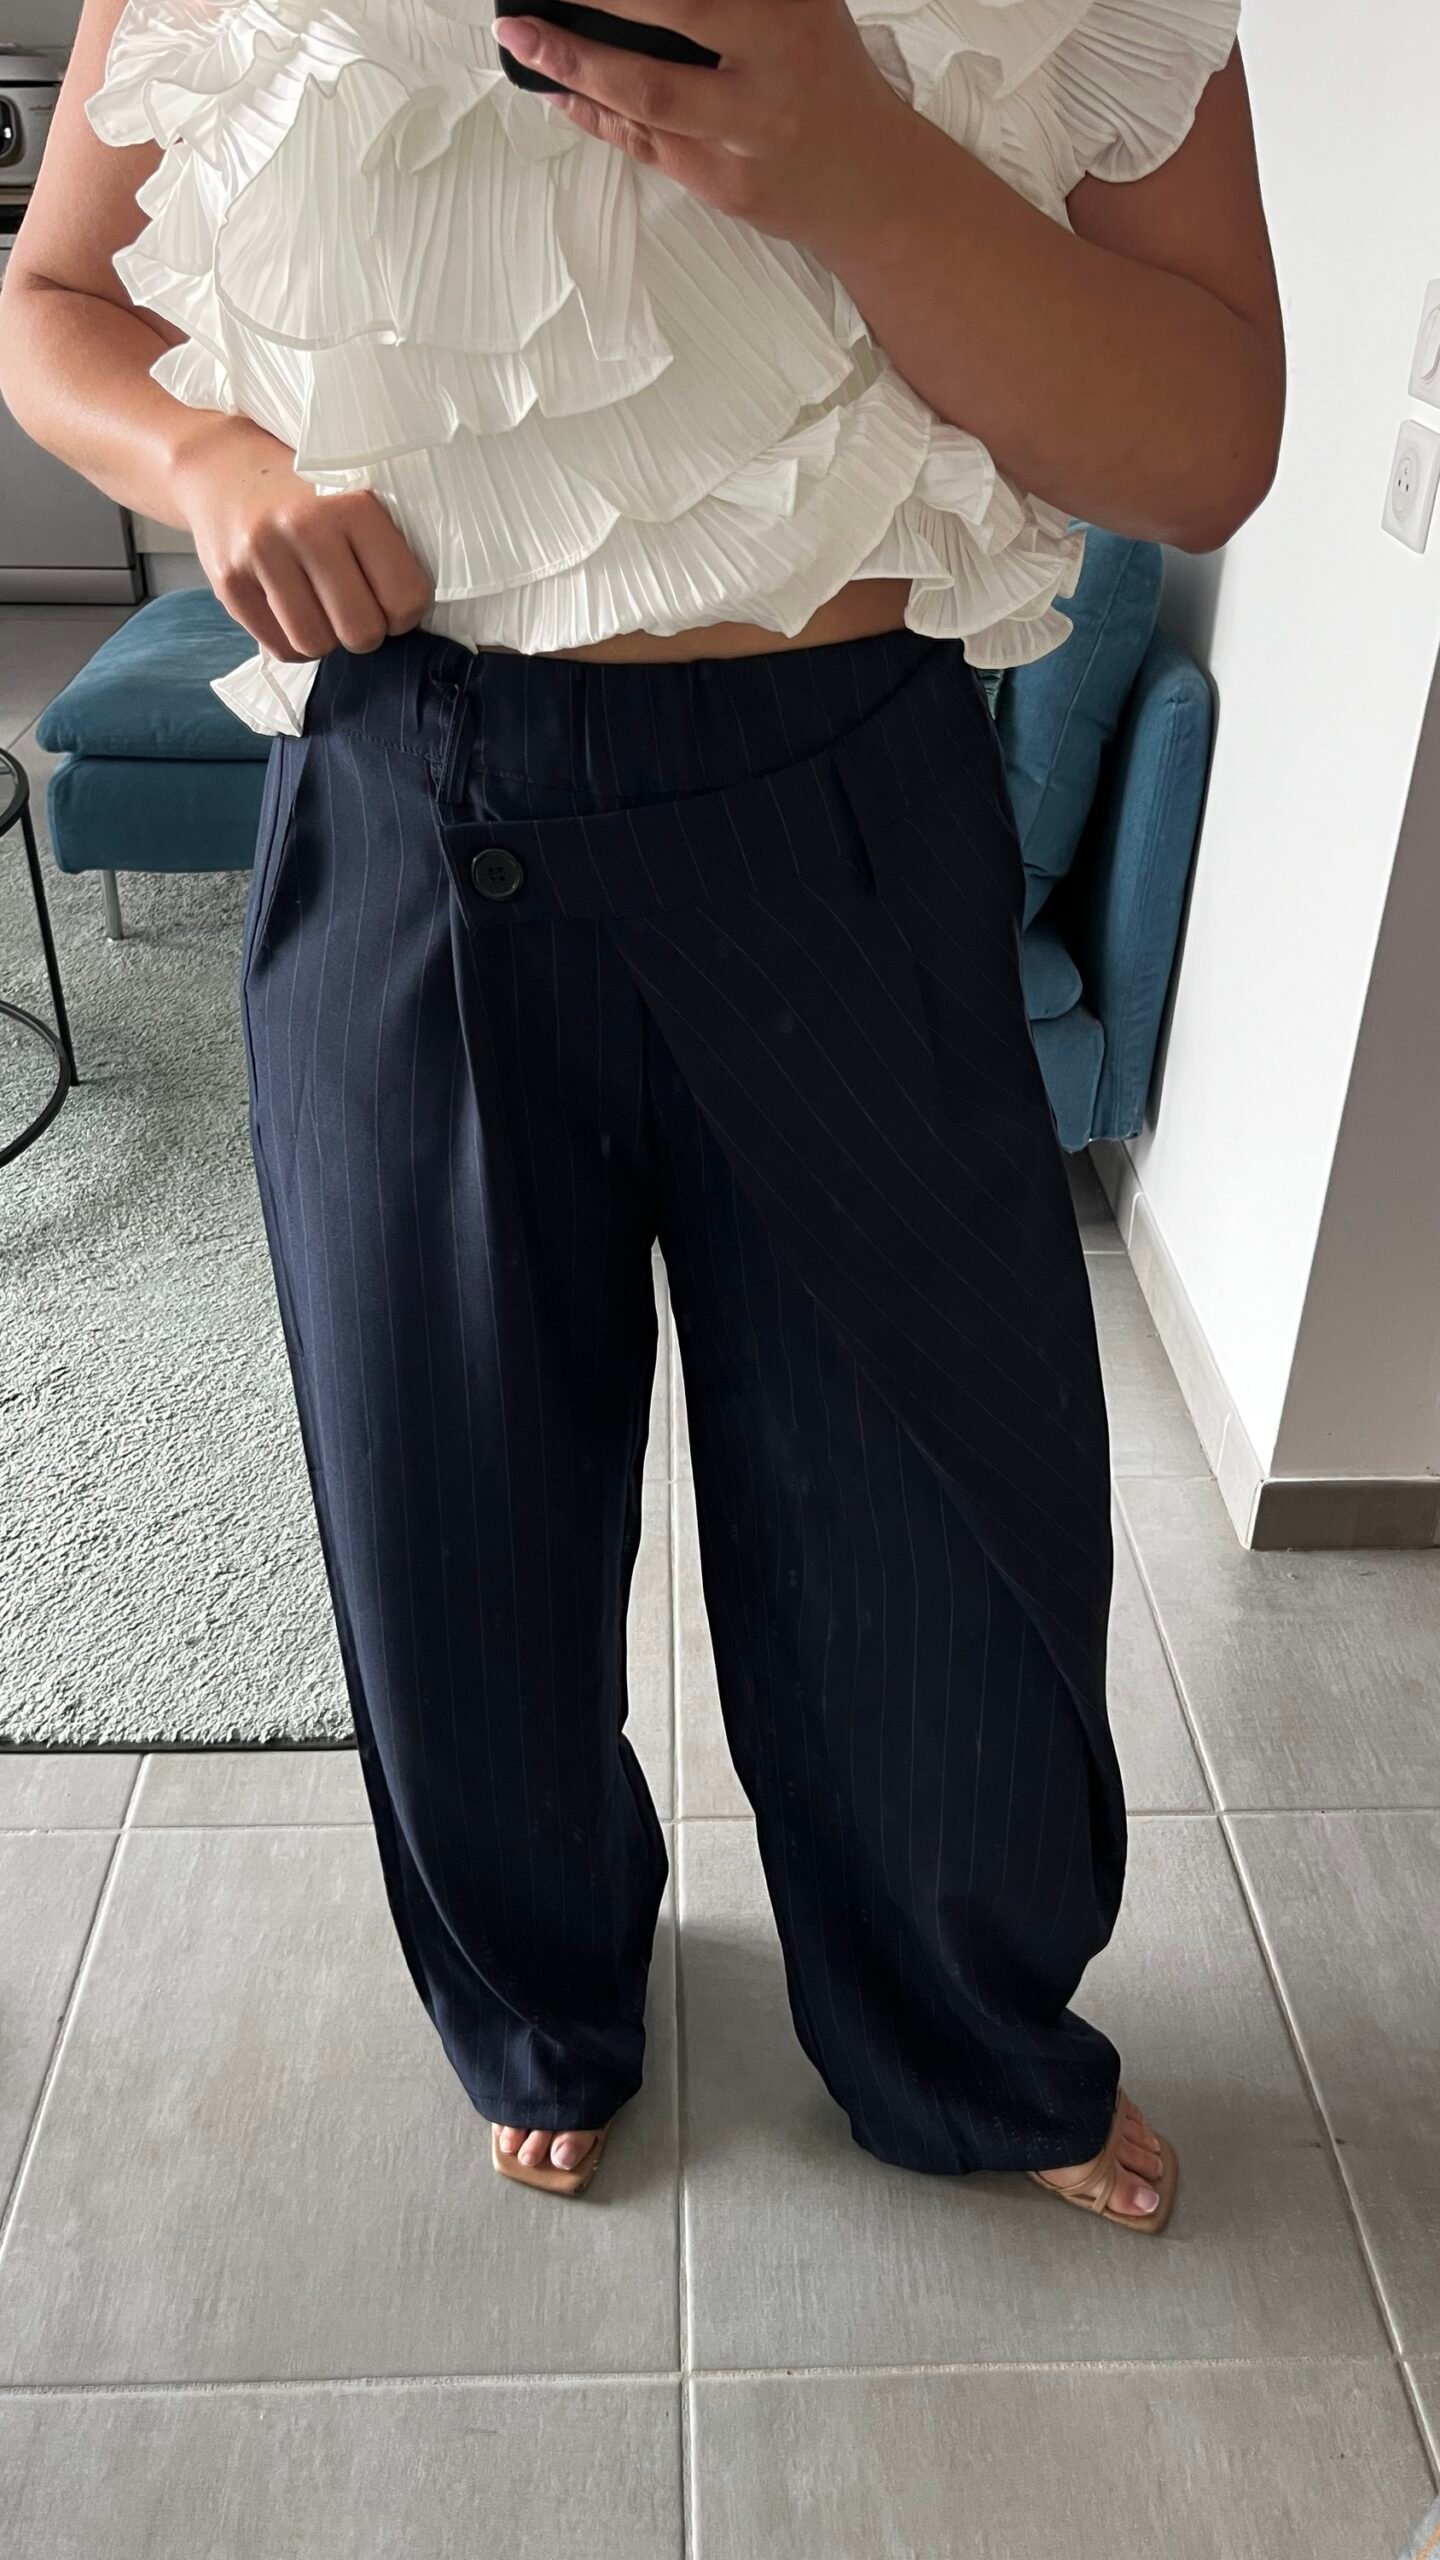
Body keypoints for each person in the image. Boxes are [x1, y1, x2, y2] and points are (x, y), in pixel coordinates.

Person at [0, 0, 1282, 2221]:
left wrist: (856, 158)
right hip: (402, 802)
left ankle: (966, 2041)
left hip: (842, 809)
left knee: (938, 1526)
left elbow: (1208, 451)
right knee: (444, 1520)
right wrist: (203, 459)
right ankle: (543, 1994)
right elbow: (51, 298)